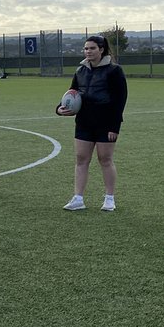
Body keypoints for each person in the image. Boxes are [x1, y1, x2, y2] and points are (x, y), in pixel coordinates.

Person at [56, 35, 127, 211]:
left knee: (105, 159)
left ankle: (109, 198)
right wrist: (59, 108)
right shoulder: (80, 71)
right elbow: (71, 93)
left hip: (105, 123)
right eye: (86, 48)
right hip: (84, 122)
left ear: (101, 50)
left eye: (92, 48)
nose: (88, 51)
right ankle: (78, 198)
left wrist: (114, 126)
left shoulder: (114, 71)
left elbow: (120, 100)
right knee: (81, 159)